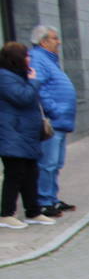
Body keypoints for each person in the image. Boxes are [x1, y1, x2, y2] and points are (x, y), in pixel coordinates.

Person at [0, 41, 55, 229]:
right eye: (26, 55)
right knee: (14, 174)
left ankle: (33, 212)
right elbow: (22, 97)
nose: (29, 58)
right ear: (16, 58)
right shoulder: (4, 77)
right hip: (12, 133)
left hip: (26, 134)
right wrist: (33, 81)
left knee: (31, 173)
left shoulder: (19, 75)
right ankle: (6, 214)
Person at [28, 25, 77, 218]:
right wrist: (54, 111)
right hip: (53, 121)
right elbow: (38, 89)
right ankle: (44, 201)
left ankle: (52, 198)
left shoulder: (49, 59)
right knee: (47, 163)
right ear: (44, 41)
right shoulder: (37, 58)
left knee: (55, 163)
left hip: (60, 121)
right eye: (55, 38)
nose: (59, 42)